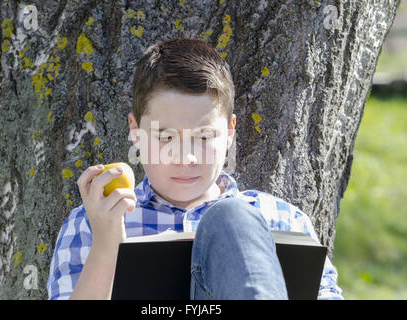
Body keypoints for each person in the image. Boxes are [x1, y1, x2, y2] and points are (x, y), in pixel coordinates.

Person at [47, 38, 344, 300]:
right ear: (135, 132)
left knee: (232, 218)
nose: (186, 158)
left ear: (229, 132)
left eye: (203, 138)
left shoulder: (282, 220)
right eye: (165, 137)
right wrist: (107, 243)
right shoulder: (92, 223)